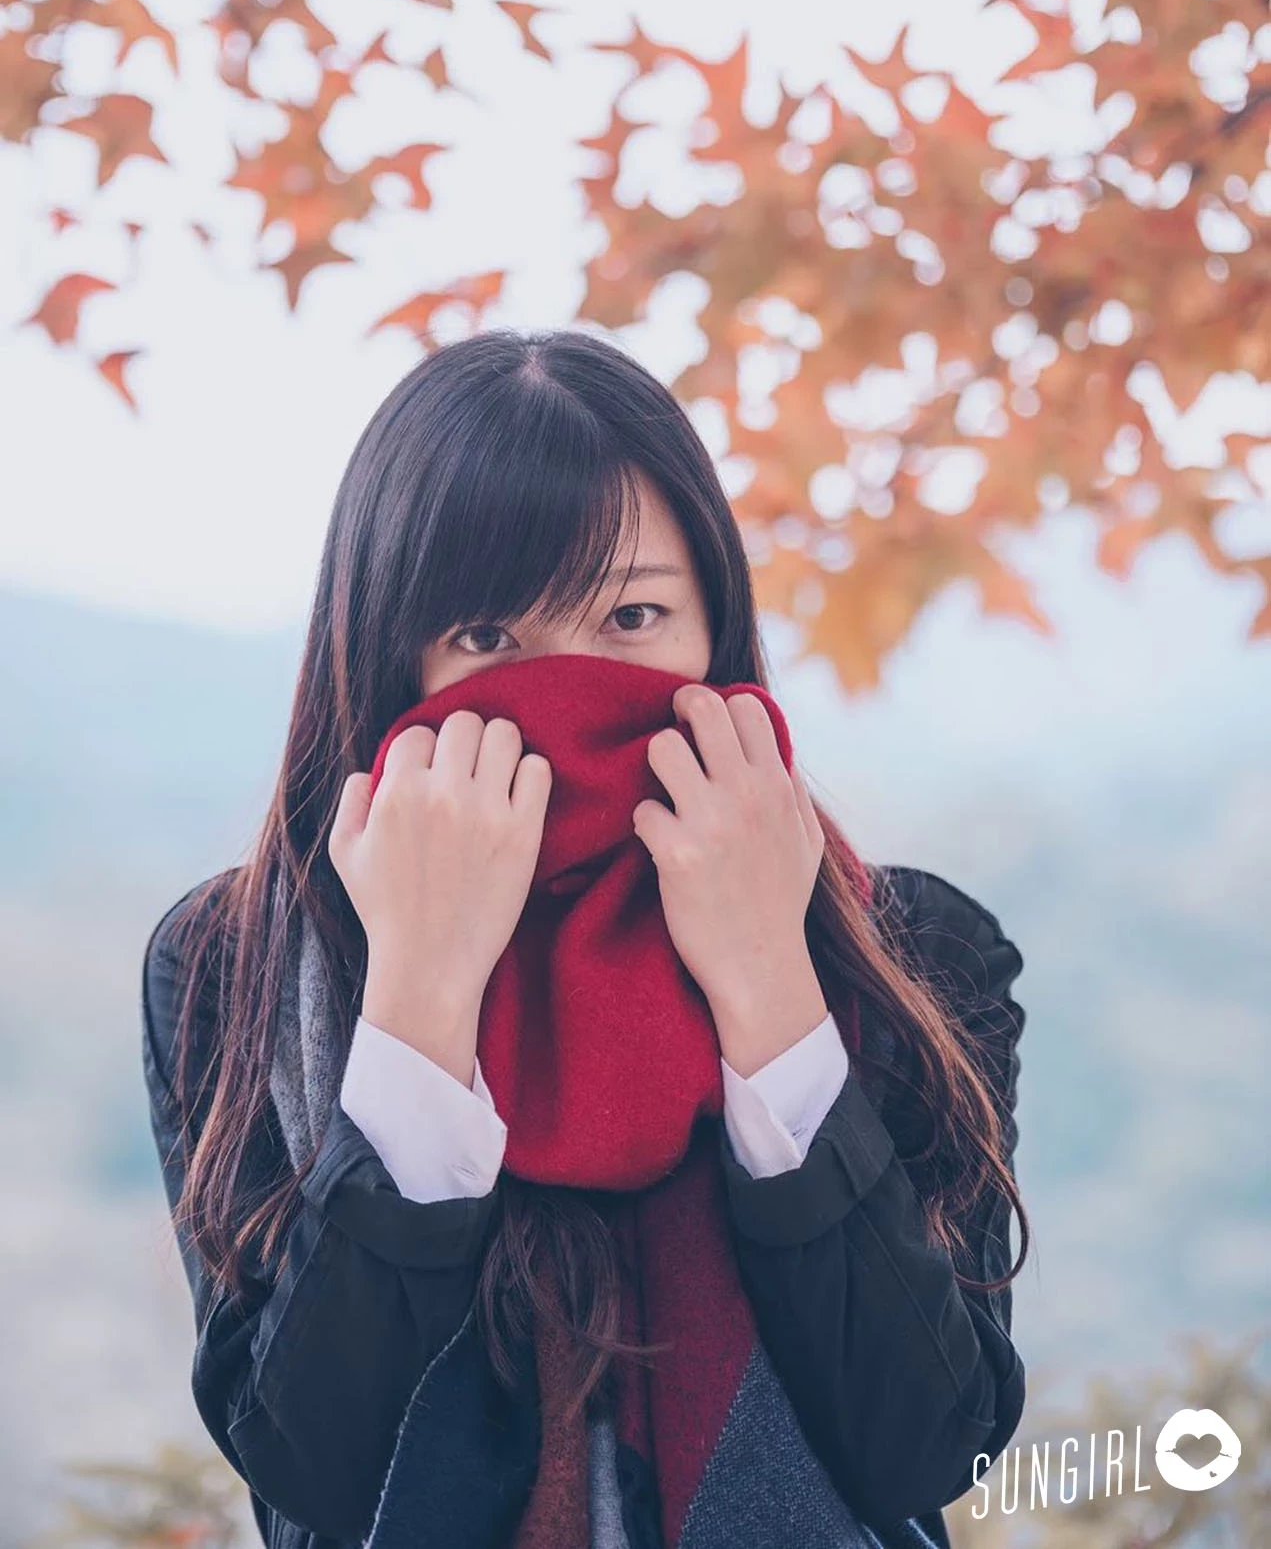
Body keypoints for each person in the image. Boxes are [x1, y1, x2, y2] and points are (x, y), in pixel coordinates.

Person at [140, 327, 1031, 1549]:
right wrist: (418, 1002)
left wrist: (770, 986)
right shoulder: (234, 969)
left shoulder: (911, 948)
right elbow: (315, 1473)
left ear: (715, 627)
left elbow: (927, 1441)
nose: (568, 689)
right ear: (384, 653)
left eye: (632, 613)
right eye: (487, 639)